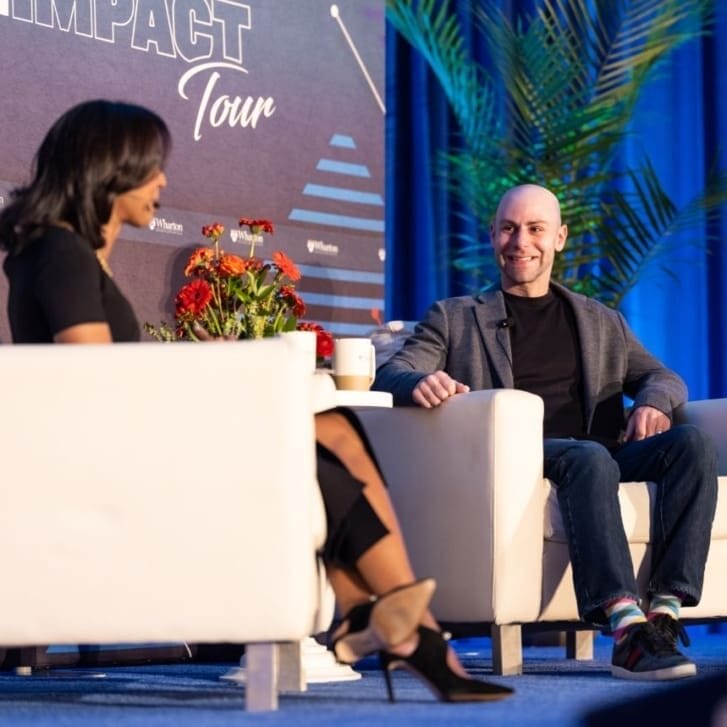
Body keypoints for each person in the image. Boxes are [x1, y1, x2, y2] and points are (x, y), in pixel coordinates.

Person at [0, 99, 512, 703]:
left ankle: (385, 622)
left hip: (121, 453)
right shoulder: (60, 254)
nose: (163, 180)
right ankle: (404, 631)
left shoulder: (64, 253)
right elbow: (97, 387)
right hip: (110, 469)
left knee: (335, 431)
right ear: (112, 168)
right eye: (151, 166)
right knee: (331, 437)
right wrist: (213, 381)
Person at [373, 183, 719, 681]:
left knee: (692, 444)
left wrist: (652, 404)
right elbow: (393, 371)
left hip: (600, 454)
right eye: (510, 228)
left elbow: (663, 377)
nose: (521, 241)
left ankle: (662, 617)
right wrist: (422, 380)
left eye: (535, 229)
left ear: (559, 237)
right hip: (530, 458)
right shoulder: (454, 318)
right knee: (588, 458)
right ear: (493, 235)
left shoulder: (602, 321)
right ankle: (625, 626)